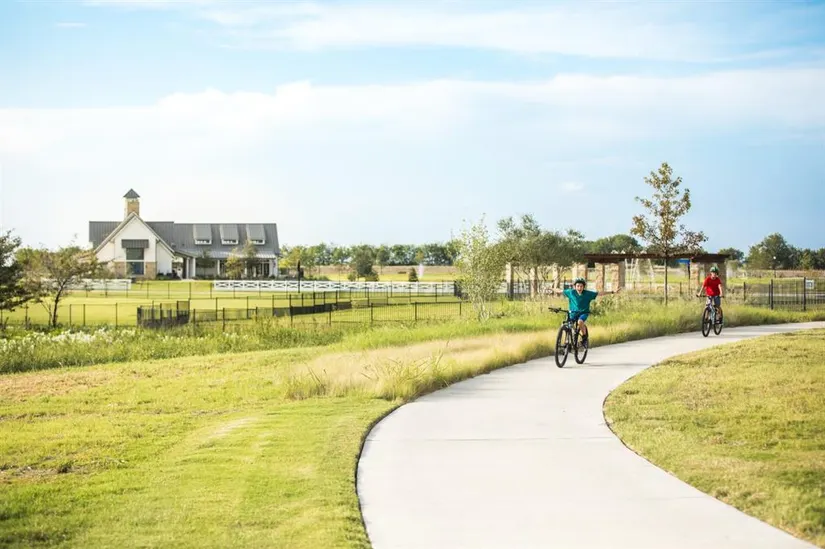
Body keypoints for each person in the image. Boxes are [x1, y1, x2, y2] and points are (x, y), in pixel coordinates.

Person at [556, 277, 598, 346]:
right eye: (578, 286)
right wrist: (551, 289)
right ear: (575, 286)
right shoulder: (571, 292)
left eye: (581, 286)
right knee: (567, 325)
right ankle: (567, 342)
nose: (579, 288)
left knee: (580, 322)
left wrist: (612, 292)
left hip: (583, 313)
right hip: (573, 313)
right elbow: (560, 291)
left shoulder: (588, 294)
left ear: (583, 287)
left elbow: (598, 293)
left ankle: (584, 338)